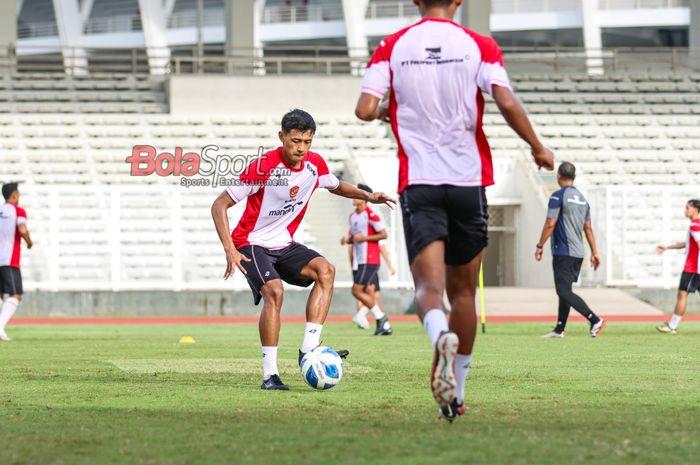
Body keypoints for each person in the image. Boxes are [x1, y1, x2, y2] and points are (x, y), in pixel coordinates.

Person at [355, 0, 554, 421]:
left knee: (429, 290)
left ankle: (438, 334)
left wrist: (391, 107)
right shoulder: (479, 44)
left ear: (415, 2)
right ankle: (456, 394)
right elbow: (505, 99)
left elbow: (365, 109)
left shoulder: (392, 45)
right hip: (468, 183)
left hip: (421, 184)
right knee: (463, 293)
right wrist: (537, 148)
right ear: (458, 1)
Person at [211, 109, 395, 390]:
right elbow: (219, 204)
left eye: (307, 142)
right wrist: (229, 249)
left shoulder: (314, 164)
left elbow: (336, 186)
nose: (300, 147)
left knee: (326, 271)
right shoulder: (262, 167)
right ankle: (270, 375)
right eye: (295, 140)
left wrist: (368, 196)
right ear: (281, 136)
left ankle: (308, 349)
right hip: (250, 242)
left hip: (283, 243)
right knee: (275, 291)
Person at [536, 162, 606, 339]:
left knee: (563, 291)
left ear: (558, 176)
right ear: (573, 177)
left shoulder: (558, 196)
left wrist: (540, 245)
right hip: (578, 253)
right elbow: (588, 228)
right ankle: (560, 329)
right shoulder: (583, 199)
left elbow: (550, 223)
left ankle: (594, 319)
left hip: (563, 251)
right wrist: (595, 252)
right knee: (565, 289)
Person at [340, 183, 392, 335]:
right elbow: (354, 237)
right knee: (368, 291)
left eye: (357, 194)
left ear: (363, 198)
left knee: (357, 290)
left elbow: (384, 234)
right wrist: (348, 240)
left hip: (370, 258)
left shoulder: (371, 214)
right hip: (359, 259)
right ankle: (382, 323)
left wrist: (365, 238)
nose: (353, 196)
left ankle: (380, 317)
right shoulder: (353, 216)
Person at [655, 199, 700, 334]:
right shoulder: (697, 225)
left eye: (687, 208)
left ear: (695, 210)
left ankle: (672, 326)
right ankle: (672, 325)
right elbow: (688, 243)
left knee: (682, 294)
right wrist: (668, 247)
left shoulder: (694, 225)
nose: (685, 210)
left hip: (693, 268)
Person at [0, 183, 32, 342]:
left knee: (1, 295)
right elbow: (22, 229)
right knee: (15, 295)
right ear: (14, 195)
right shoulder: (18, 210)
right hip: (9, 260)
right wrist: (29, 242)